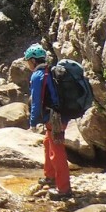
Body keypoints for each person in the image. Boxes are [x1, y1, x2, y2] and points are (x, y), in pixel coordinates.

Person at [24, 43, 72, 200]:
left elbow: (36, 101)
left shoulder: (37, 75)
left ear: (33, 60)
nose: (28, 65)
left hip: (54, 118)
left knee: (57, 152)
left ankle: (64, 189)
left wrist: (32, 122)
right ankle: (50, 176)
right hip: (59, 114)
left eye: (28, 61)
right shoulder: (49, 70)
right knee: (47, 142)